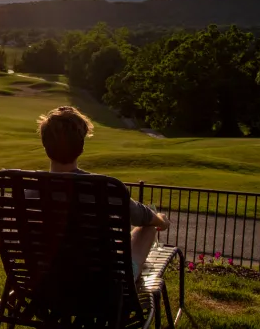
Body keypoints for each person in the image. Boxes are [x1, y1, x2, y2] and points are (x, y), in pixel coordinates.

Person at [37, 106, 171, 279]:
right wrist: (161, 220)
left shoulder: (29, 190)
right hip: (103, 284)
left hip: (47, 281)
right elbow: (143, 216)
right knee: (149, 227)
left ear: (45, 144)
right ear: (81, 146)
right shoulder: (104, 188)